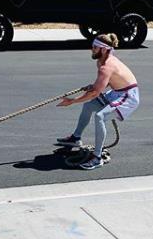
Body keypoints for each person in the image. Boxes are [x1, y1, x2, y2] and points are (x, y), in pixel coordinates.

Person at [56, 33, 140, 170]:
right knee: (89, 106)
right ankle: (75, 138)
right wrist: (94, 87)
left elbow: (95, 93)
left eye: (95, 47)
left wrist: (72, 101)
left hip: (128, 96)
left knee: (100, 116)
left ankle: (97, 158)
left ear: (103, 49)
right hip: (117, 92)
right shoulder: (101, 62)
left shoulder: (106, 66)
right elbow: (102, 85)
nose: (92, 50)